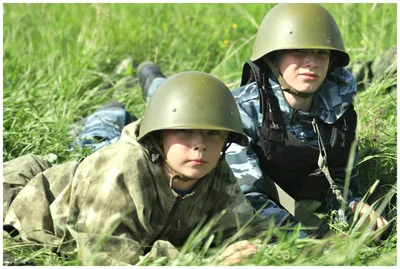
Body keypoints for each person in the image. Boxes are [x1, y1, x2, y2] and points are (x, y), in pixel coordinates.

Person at [70, 4, 389, 238]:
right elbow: (248, 200)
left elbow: (340, 182)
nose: (311, 62)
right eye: (297, 51)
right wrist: (315, 238)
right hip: (184, 134)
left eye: (321, 53)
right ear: (273, 57)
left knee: (178, 92)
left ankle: (152, 76)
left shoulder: (338, 113)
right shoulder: (241, 113)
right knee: (110, 142)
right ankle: (110, 110)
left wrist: (353, 207)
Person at [3, 71, 273, 266]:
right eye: (185, 131)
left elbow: (248, 230)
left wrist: (253, 248)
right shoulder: (123, 168)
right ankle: (107, 111)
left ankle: (109, 112)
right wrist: (207, 261)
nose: (199, 145)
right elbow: (105, 256)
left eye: (213, 134)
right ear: (159, 135)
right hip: (23, 199)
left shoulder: (214, 171)